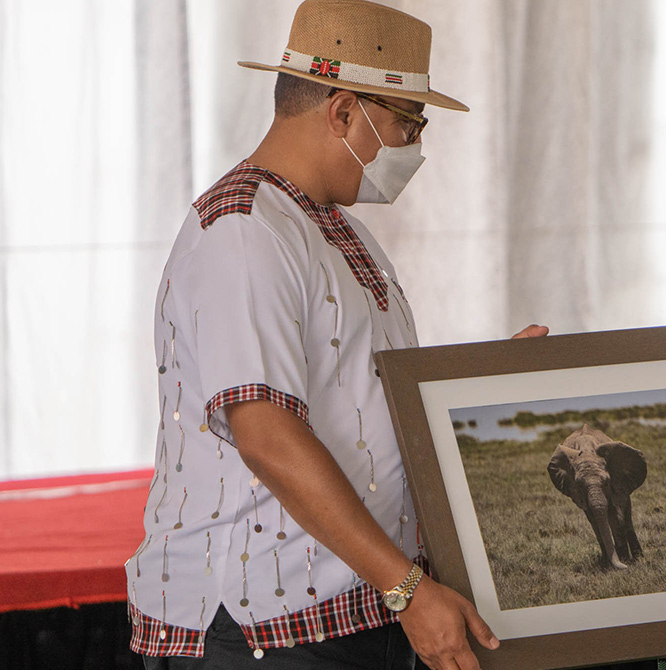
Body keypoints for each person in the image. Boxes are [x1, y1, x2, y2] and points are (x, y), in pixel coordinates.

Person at [125, 2, 546, 667]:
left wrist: (484, 386)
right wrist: (407, 588)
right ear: (343, 112)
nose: (414, 148)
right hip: (259, 625)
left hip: (344, 609)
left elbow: (362, 402)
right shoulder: (244, 231)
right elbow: (266, 434)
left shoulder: (331, 229)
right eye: (408, 123)